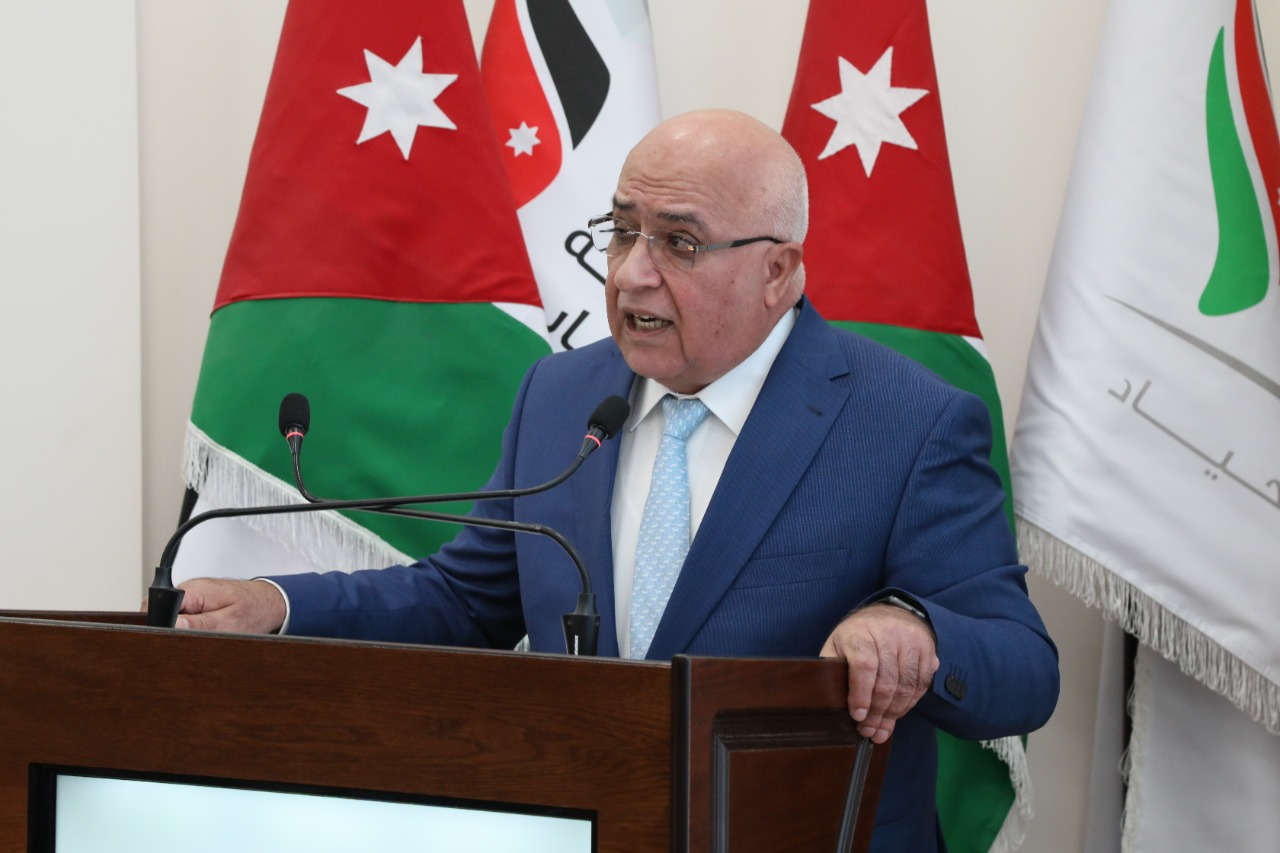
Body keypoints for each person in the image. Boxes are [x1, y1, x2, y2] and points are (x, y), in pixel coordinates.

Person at [171, 109, 1058, 851]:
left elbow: (1023, 670)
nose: (633, 272)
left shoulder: (907, 422)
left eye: (679, 242)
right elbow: (467, 600)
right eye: (624, 230)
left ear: (778, 272)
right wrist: (276, 605)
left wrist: (913, 632)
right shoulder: (562, 394)